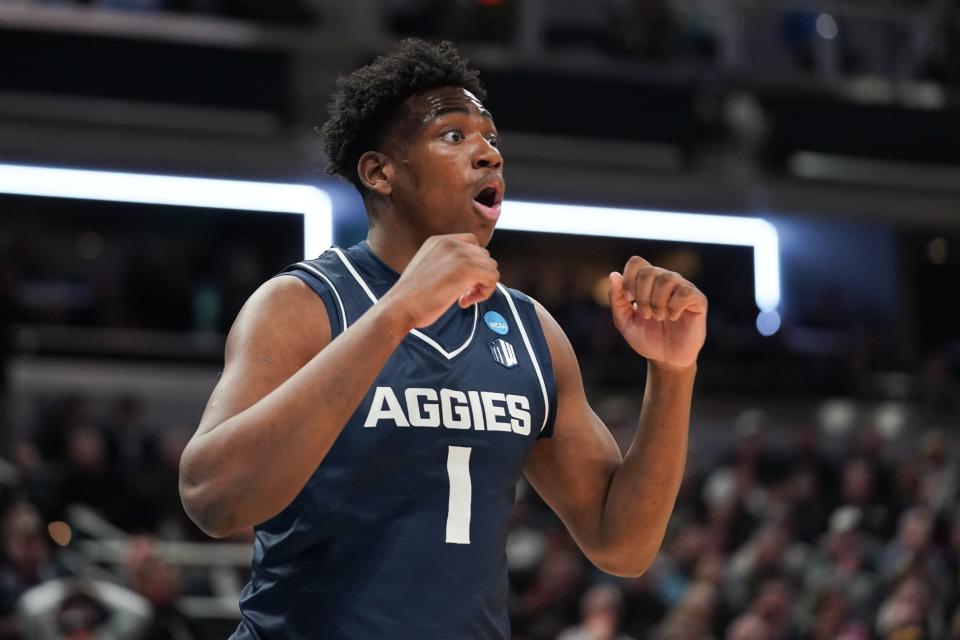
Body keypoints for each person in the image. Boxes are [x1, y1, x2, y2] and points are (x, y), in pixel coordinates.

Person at [178, 38, 708, 639]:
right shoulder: (302, 305)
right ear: (380, 172)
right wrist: (397, 312)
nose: (488, 155)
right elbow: (211, 498)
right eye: (454, 136)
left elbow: (622, 544)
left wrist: (673, 372)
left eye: (491, 138)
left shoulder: (532, 332)